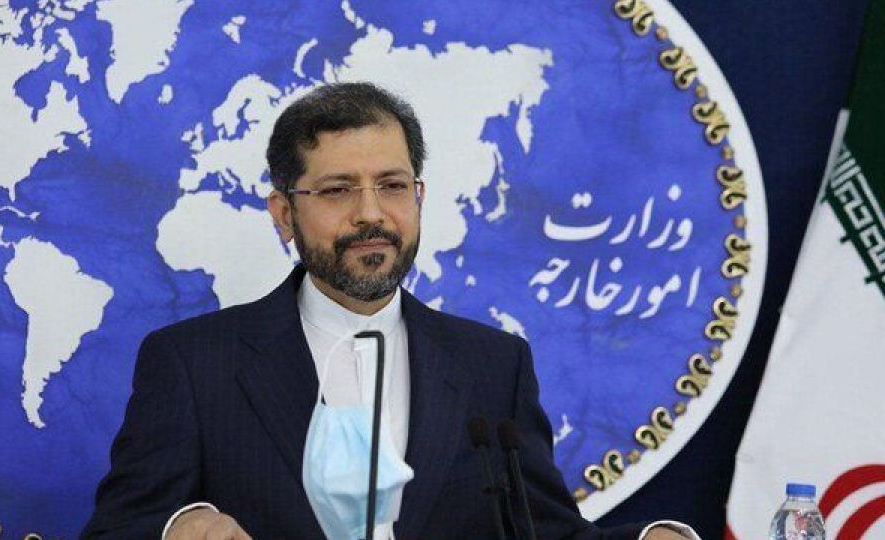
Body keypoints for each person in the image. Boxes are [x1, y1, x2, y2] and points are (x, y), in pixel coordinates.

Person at [81, 82, 697, 540]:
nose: (371, 213)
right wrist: (179, 527)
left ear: (418, 198)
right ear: (284, 214)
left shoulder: (494, 364)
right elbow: (118, 529)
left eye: (393, 186)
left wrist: (653, 538)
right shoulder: (193, 363)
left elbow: (544, 533)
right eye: (337, 190)